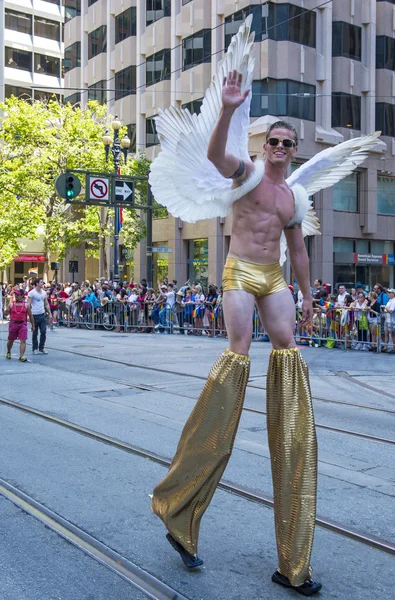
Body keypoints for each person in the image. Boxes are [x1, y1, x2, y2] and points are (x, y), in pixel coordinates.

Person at [151, 77, 321, 593]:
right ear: (263, 146)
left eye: (288, 144)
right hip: (239, 272)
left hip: (273, 278)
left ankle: (293, 555)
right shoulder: (245, 174)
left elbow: (298, 253)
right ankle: (180, 502)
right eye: (273, 141)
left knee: (289, 353)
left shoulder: (293, 197)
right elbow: (214, 151)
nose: (279, 149)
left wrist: (309, 293)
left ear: (294, 151)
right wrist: (226, 109)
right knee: (239, 355)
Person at [5, 288, 34, 362]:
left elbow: (30, 316)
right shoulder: (11, 304)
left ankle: (21, 356)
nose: (16, 296)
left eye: (18, 295)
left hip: (22, 324)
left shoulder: (26, 305)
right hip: (13, 324)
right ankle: (8, 351)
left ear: (22, 296)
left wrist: (33, 325)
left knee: (23, 340)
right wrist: (5, 311)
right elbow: (6, 313)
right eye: (15, 295)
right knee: (10, 340)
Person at [26, 278, 50, 355]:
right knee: (35, 332)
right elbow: (28, 304)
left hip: (42, 314)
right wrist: (28, 315)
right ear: (37, 283)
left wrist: (49, 312)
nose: (42, 283)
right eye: (41, 282)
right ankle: (34, 348)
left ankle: (41, 347)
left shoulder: (44, 293)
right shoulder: (31, 293)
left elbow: (46, 303)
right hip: (34, 315)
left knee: (43, 331)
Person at [381, 288, 395, 353]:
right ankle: (386, 346)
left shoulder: (394, 301)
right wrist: (383, 309)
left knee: (392, 334)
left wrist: (385, 307)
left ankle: (394, 348)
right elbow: (386, 310)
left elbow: (391, 311)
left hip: (392, 320)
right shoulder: (389, 301)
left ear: (393, 294)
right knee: (386, 333)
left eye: (389, 293)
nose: (388, 294)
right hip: (387, 319)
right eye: (388, 293)